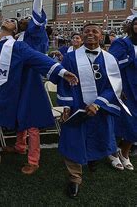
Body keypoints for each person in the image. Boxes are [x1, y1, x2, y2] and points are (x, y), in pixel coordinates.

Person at [0, 15, 78, 164]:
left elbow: (38, 58)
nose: (9, 21)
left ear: (15, 30)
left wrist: (62, 72)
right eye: (8, 19)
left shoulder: (18, 46)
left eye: (13, 22)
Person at [57, 23, 129, 198]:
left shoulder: (109, 59)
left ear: (101, 35)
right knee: (73, 139)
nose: (90, 34)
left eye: (94, 31)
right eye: (87, 31)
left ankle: (92, 158)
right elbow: (64, 83)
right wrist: (66, 106)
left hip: (100, 108)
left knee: (98, 137)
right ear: (81, 35)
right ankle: (75, 177)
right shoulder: (71, 57)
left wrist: (97, 103)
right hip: (77, 107)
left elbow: (114, 86)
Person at [3, 0, 56, 174]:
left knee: (31, 119)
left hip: (32, 80)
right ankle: (19, 146)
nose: (24, 19)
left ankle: (33, 160)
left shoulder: (37, 34)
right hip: (19, 78)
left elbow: (36, 13)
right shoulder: (20, 37)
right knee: (20, 113)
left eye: (29, 18)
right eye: (22, 19)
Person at [108, 16, 137, 171]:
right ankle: (113, 153)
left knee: (135, 124)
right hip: (126, 89)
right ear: (131, 26)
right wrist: (129, 59)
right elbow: (111, 64)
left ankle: (124, 153)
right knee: (121, 122)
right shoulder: (122, 43)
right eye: (136, 23)